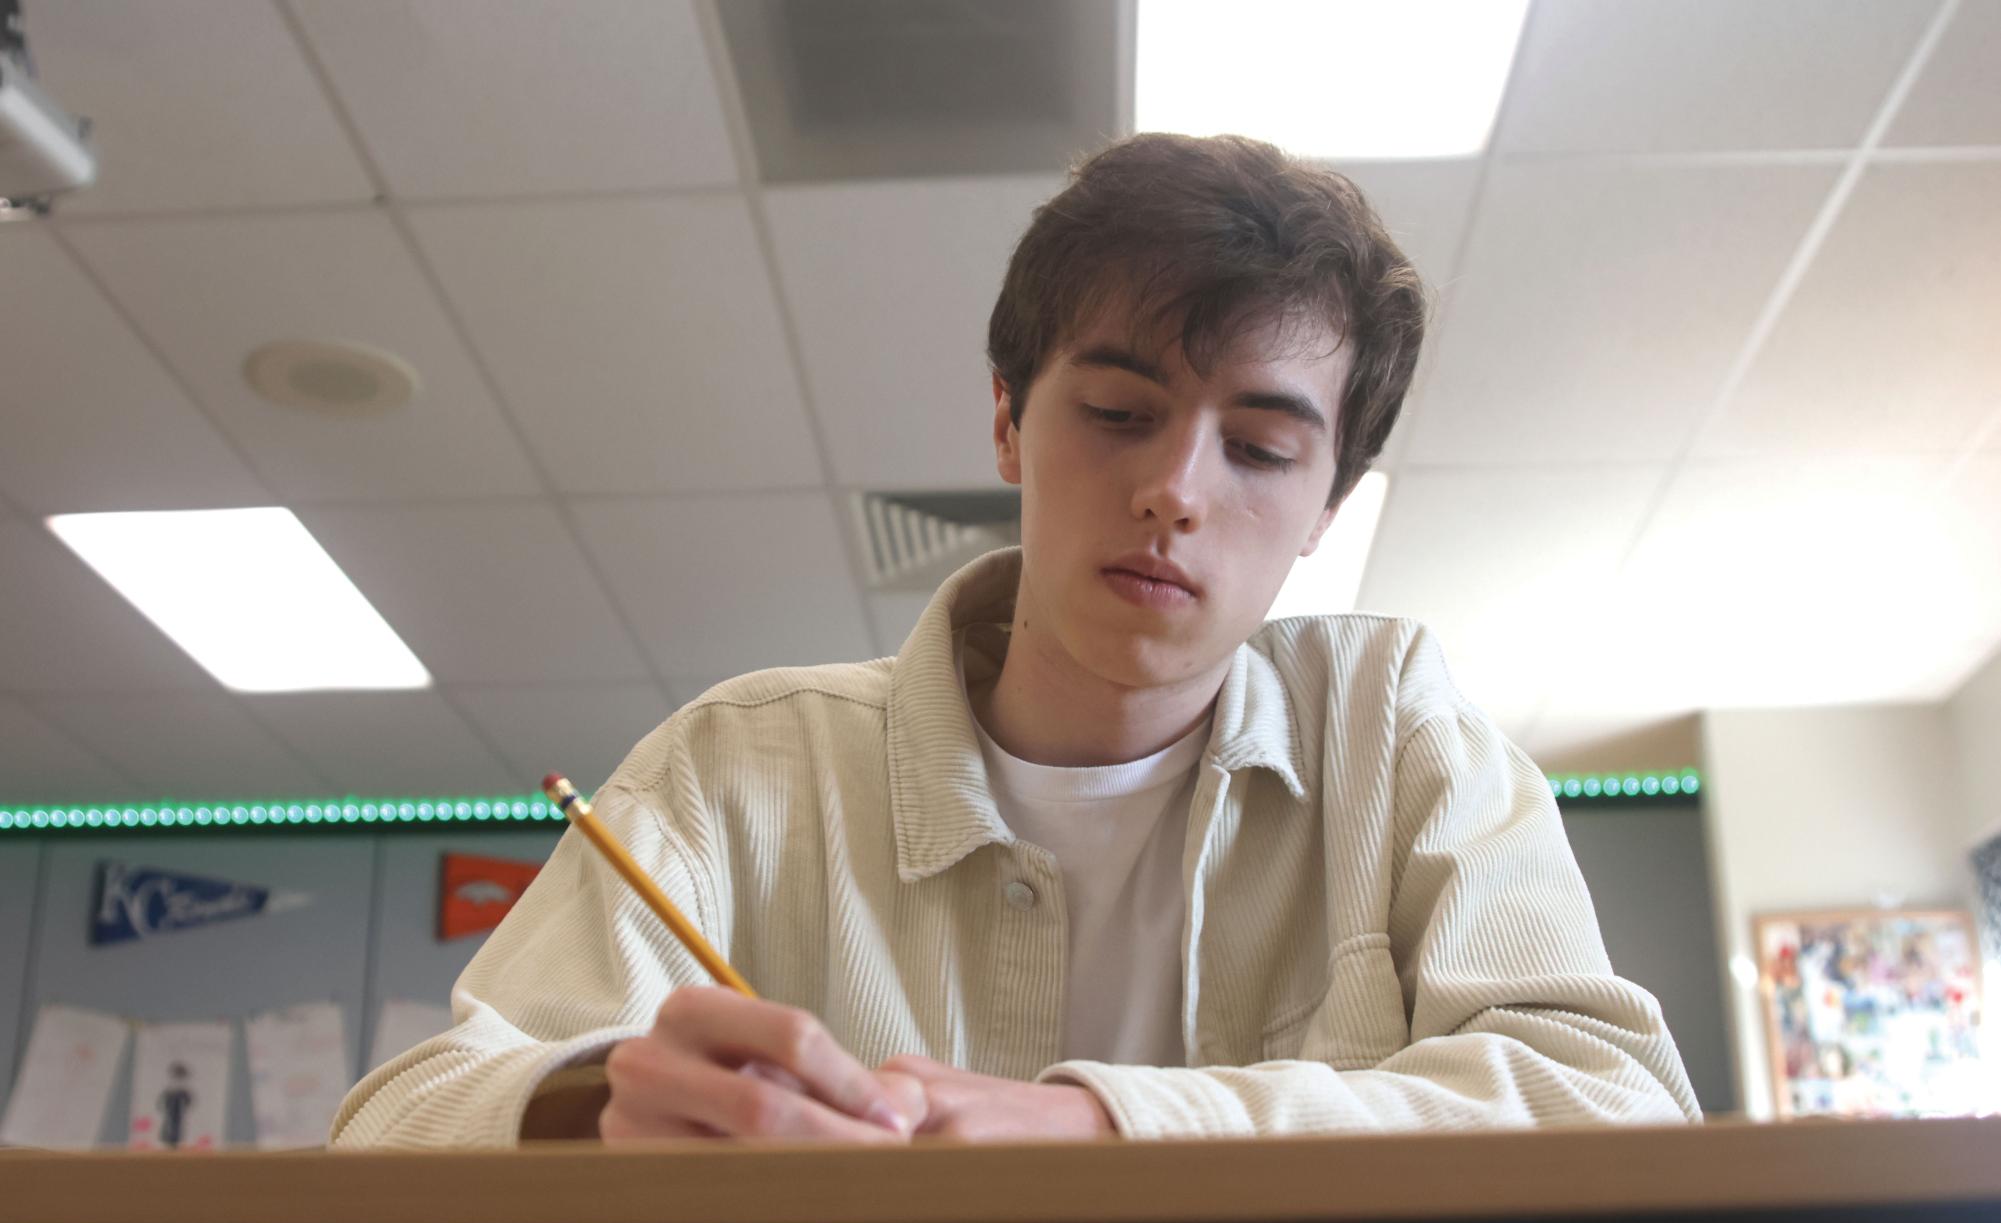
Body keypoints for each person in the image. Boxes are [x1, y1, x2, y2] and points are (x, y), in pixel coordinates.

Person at [332, 132, 1698, 1152]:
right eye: (1115, 411)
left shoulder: (1392, 733)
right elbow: (395, 1117)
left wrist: (1105, 1129)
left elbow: (1615, 1101)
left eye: (1264, 448)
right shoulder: (743, 765)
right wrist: (588, 1096)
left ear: (1326, 508)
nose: (1177, 489)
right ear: (1006, 421)